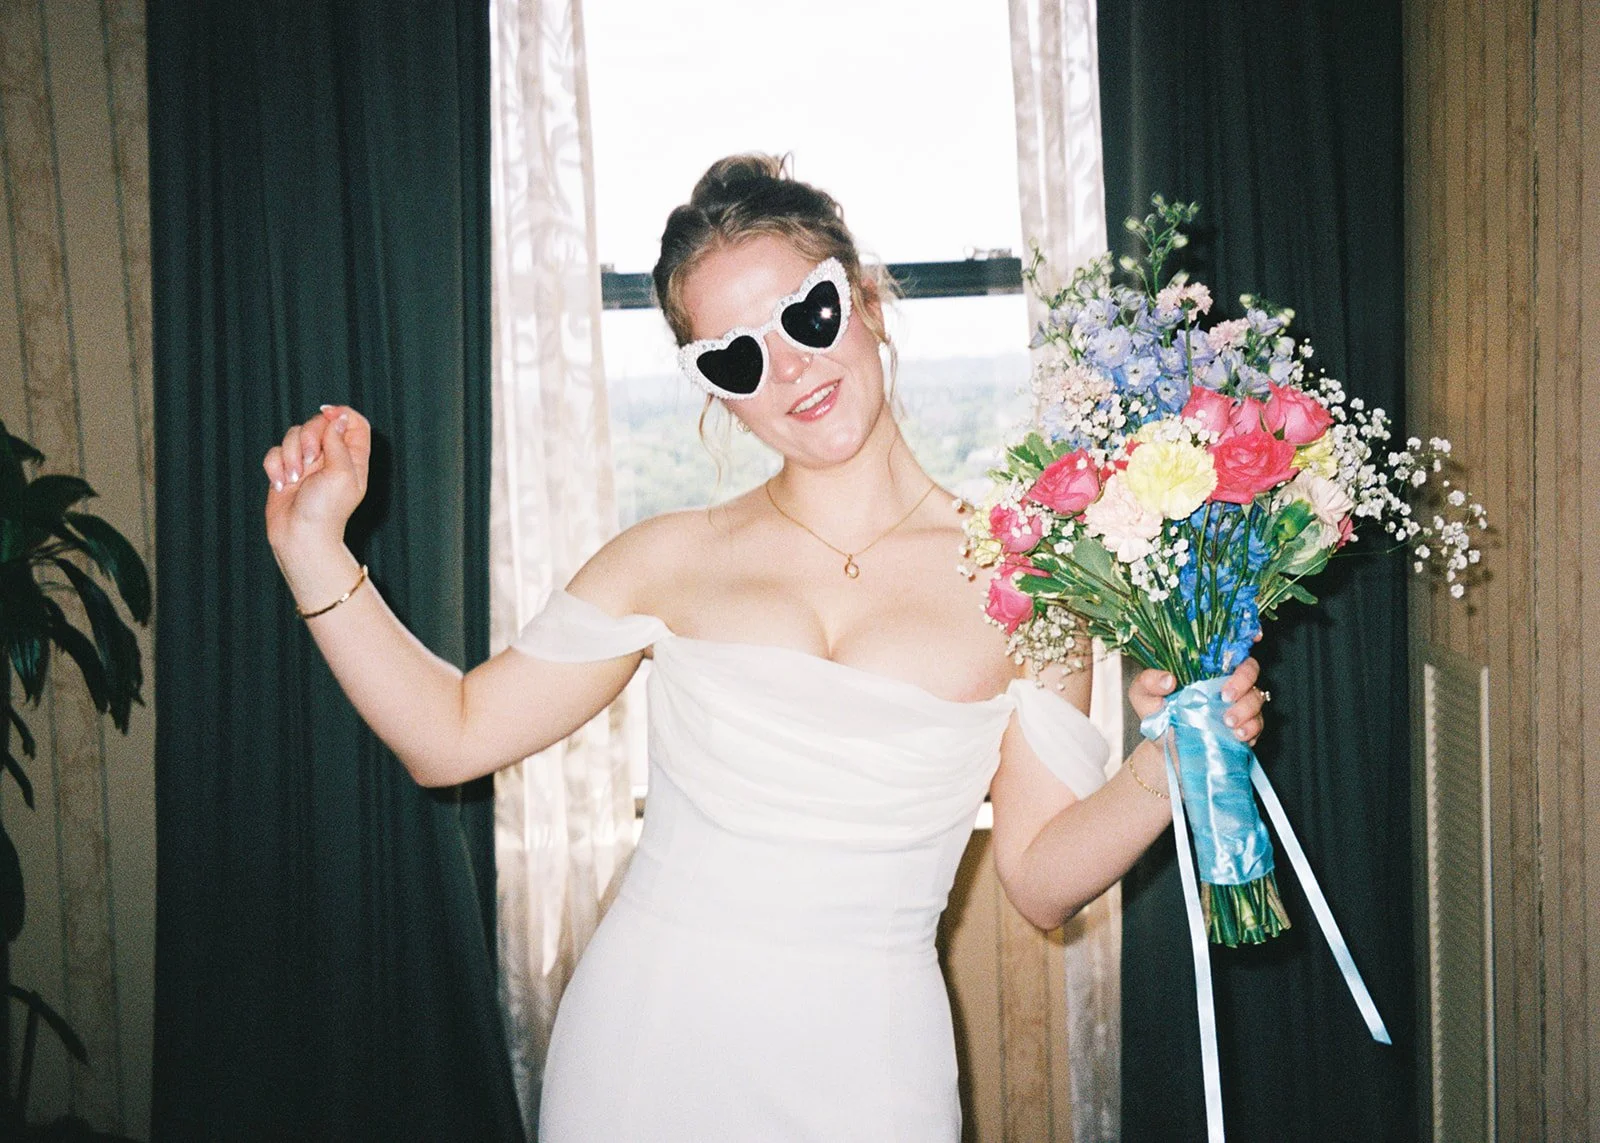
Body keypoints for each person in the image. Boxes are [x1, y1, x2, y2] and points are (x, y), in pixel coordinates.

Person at [262, 154, 1267, 1142]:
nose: (786, 367)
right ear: (715, 391)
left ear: (867, 300)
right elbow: (451, 736)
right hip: (642, 1048)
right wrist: (310, 549)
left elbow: (1043, 884)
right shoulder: (667, 557)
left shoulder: (1033, 582)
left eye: (807, 315)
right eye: (734, 356)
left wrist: (1160, 770)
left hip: (871, 1071)